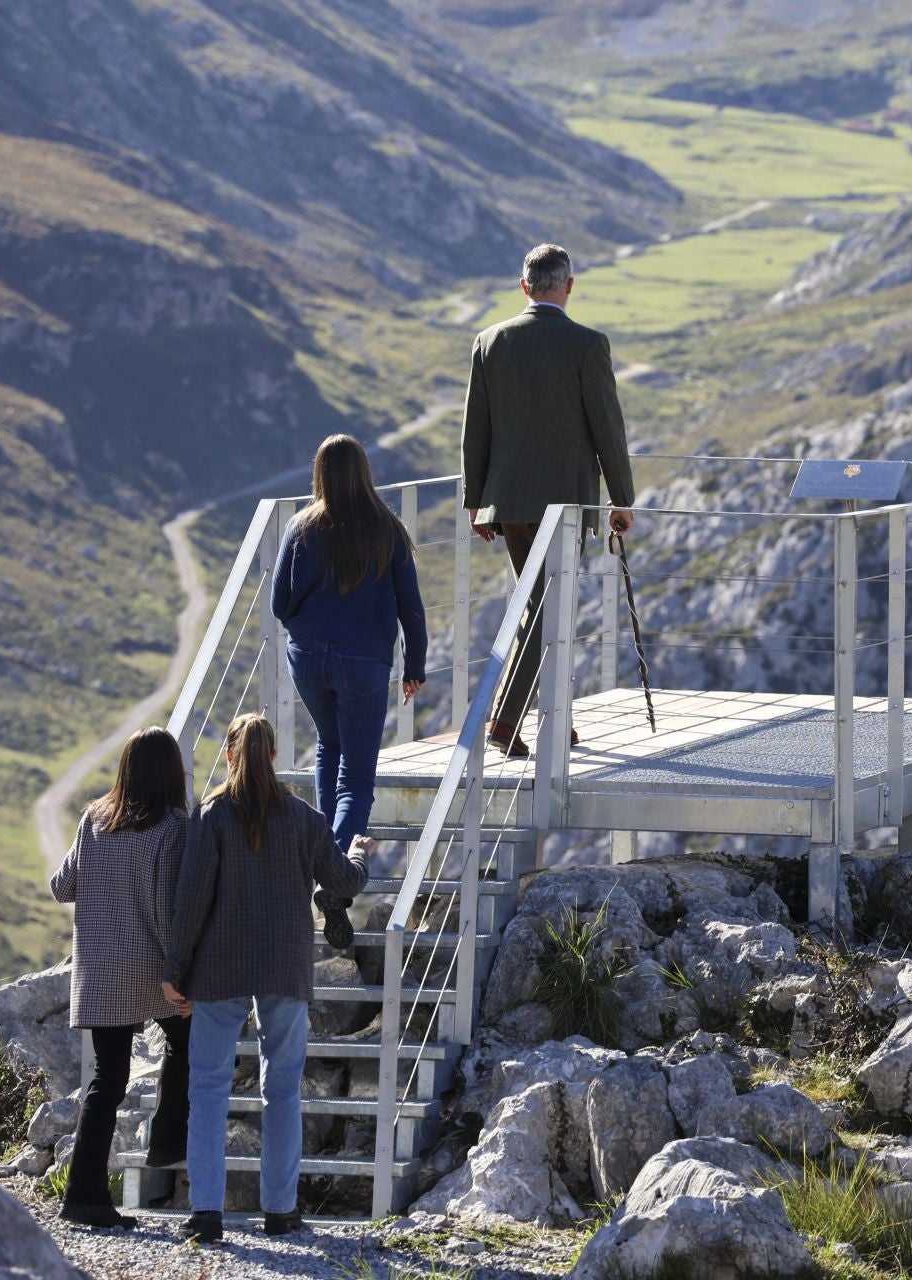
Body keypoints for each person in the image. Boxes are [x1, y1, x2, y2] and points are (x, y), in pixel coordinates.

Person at [161, 713, 367, 1243]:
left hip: (218, 969)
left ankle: (206, 1213)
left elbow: (190, 904)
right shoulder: (303, 818)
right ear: (274, 756)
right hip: (285, 966)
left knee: (207, 1089)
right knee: (283, 1089)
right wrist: (361, 857)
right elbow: (343, 879)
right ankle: (281, 1212)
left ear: (230, 755)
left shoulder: (211, 817)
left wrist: (173, 970)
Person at [460, 242, 636, 758]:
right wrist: (621, 499)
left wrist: (476, 501)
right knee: (547, 609)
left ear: (524, 287)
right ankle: (506, 721)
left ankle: (555, 722)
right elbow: (609, 428)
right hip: (563, 505)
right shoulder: (587, 345)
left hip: (507, 501)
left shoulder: (489, 341)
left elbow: (476, 430)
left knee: (538, 606)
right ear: (569, 286)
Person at [270, 433, 424, 949]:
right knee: (356, 774)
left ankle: (323, 863)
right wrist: (415, 665)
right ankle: (336, 876)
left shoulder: (300, 528)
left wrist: (308, 625)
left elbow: (278, 604)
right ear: (364, 473)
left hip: (308, 657)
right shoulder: (388, 531)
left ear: (319, 475)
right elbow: (412, 607)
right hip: (364, 662)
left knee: (327, 748)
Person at [47, 726, 192, 1231]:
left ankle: (84, 1193)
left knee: (106, 1082)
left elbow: (62, 887)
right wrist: (177, 974)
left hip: (98, 971)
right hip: (146, 969)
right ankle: (168, 1138)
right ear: (172, 773)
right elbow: (163, 911)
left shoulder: (94, 818)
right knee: (187, 1035)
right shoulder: (172, 827)